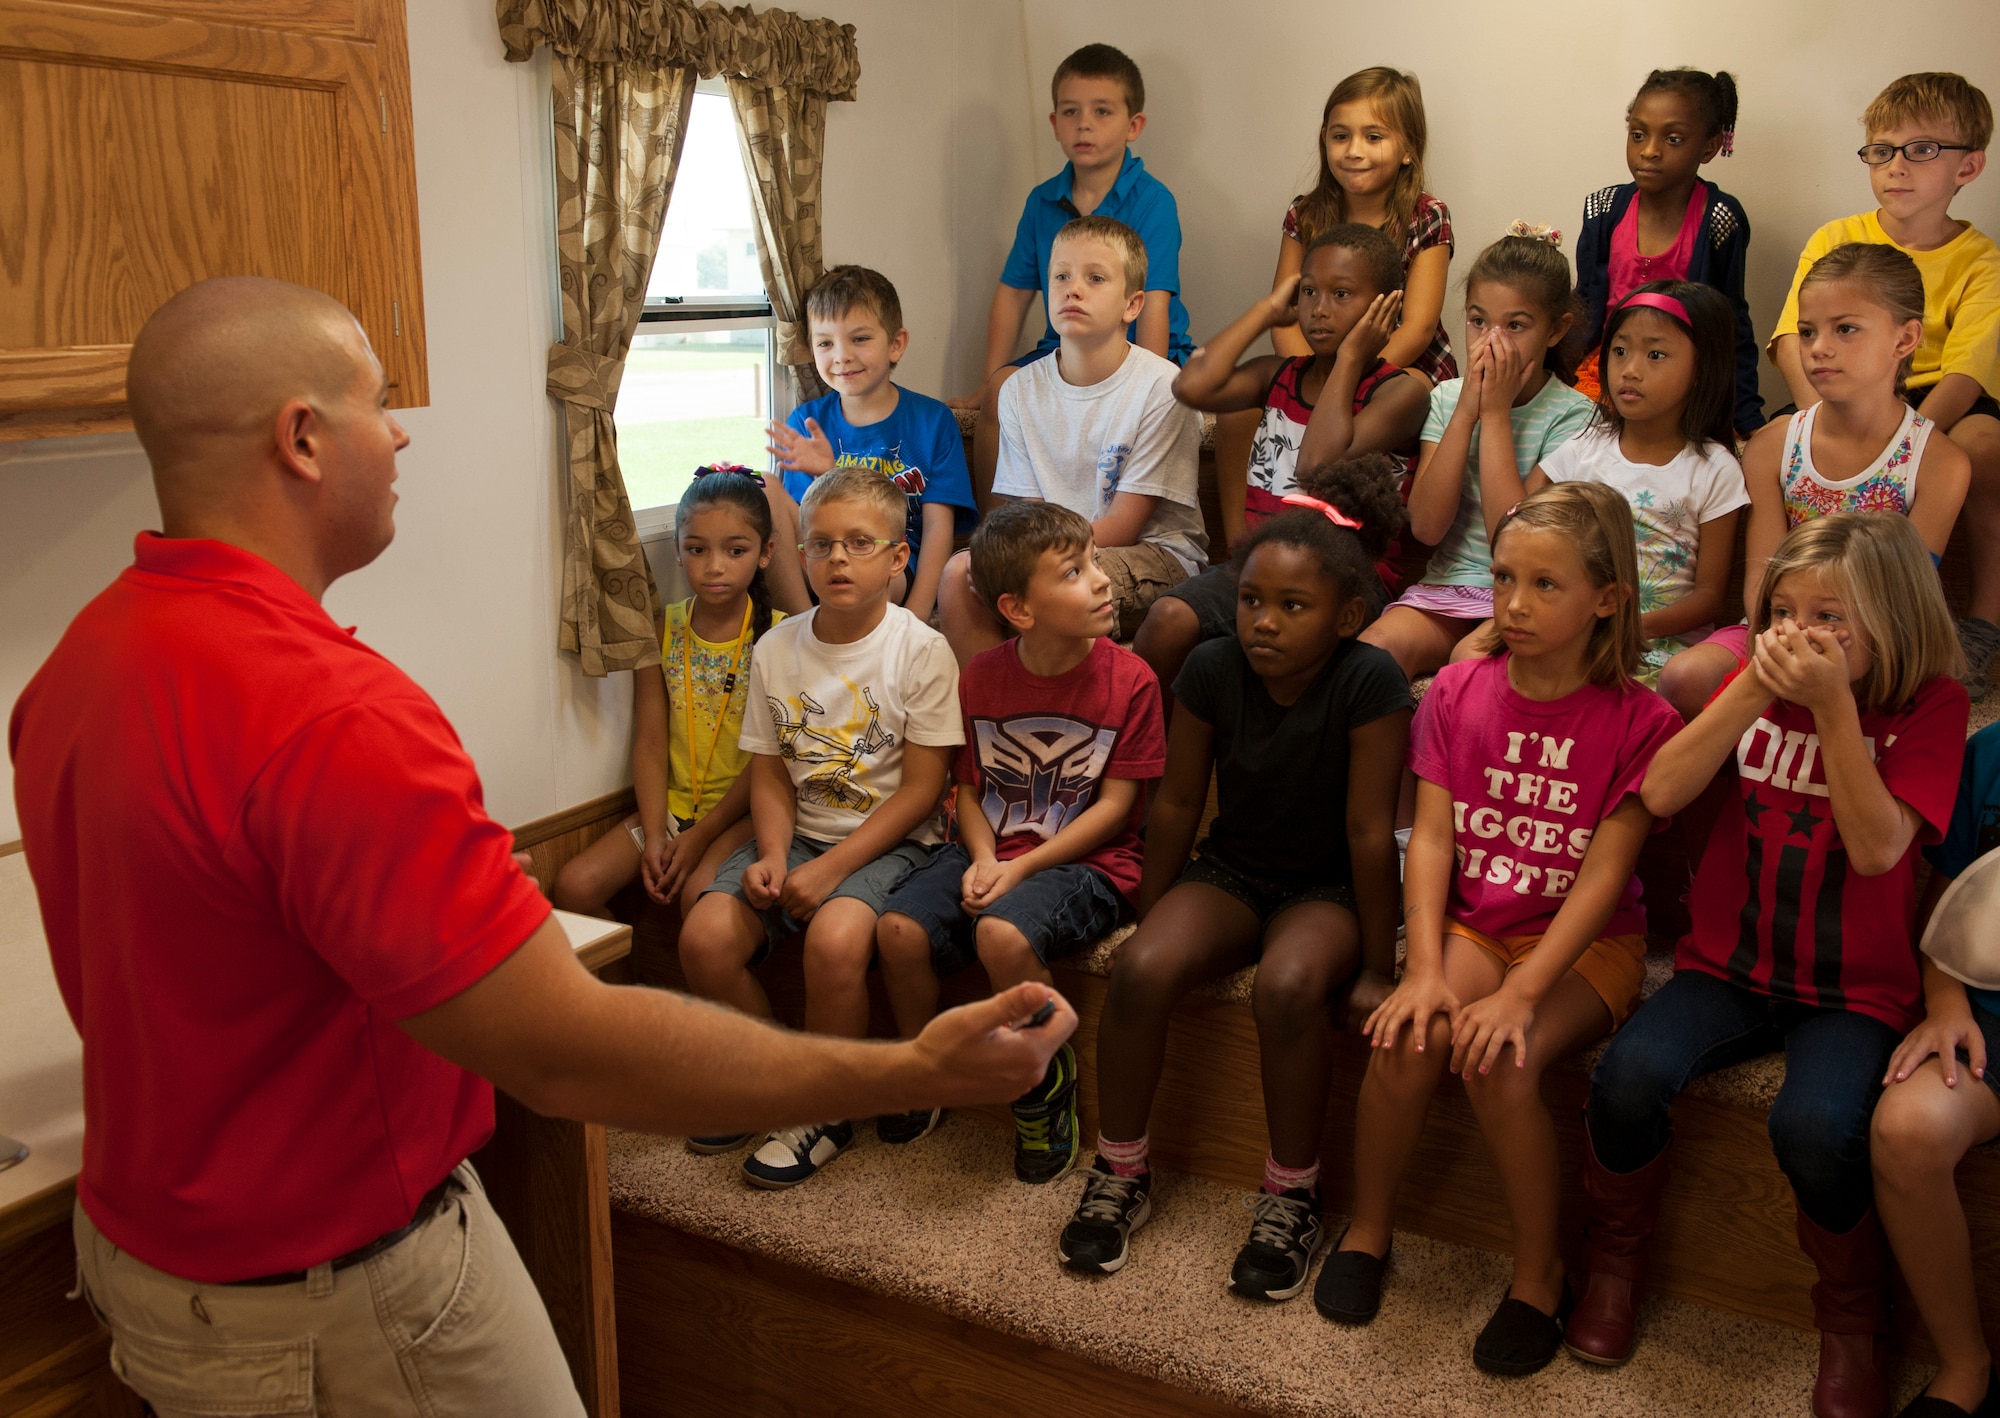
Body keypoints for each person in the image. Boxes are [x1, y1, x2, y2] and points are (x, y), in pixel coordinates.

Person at [7, 277, 1076, 1418]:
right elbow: (566, 1051)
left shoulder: (79, 661)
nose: (401, 431)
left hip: (149, 1255)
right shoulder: (330, 715)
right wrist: (912, 1067)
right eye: (378, 402)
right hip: (338, 1291)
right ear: (303, 439)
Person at [1583, 514, 1968, 1416]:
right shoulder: (1756, 685)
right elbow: (1663, 791)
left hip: (1857, 987)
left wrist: (1835, 709)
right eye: (1782, 613)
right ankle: (1612, 1265)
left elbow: (1879, 851)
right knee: (1629, 1075)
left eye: (1830, 617)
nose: (1800, 636)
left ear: (1894, 619)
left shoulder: (1932, 705)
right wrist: (1751, 692)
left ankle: (1851, 1323)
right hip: (1730, 963)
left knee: (1816, 1124)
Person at [1319, 484, 1682, 1376]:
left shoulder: (1645, 720)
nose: (1513, 605)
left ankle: (1539, 1273)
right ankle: (1368, 1230)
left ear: (1608, 597)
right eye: (1504, 579)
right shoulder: (1457, 688)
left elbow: (1605, 875)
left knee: (1499, 1059)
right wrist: (1425, 966)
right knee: (1409, 1039)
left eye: (1545, 586)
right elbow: (1433, 837)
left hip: (1585, 944)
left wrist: (1522, 994)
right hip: (1478, 922)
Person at [1057, 492, 1411, 1298]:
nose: (1264, 622)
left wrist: (1380, 966)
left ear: (1348, 615)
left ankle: (1293, 1191)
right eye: (1252, 600)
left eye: (1294, 606)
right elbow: (1178, 803)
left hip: (1328, 890)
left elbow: (1367, 833)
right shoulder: (1213, 668)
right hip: (1234, 872)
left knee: (1287, 988)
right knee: (1144, 968)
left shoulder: (1371, 680)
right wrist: (1151, 911)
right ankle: (1121, 1170)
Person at [677, 465, 967, 1187]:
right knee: (705, 938)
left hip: (892, 839)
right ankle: (778, 1078)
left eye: (860, 543)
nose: (838, 558)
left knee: (836, 942)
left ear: (899, 558)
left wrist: (832, 869)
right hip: (800, 829)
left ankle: (826, 1108)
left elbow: (926, 790)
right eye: (822, 544)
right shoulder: (777, 646)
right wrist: (775, 852)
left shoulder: (920, 650)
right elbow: (772, 769)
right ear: (797, 555)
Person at [876, 502, 1165, 1181]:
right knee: (895, 930)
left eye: (1095, 561)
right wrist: (981, 857)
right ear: (1019, 609)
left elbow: (1119, 808)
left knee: (1001, 936)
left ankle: (1043, 1083)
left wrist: (1021, 866)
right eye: (1074, 571)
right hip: (988, 847)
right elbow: (969, 791)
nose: (1100, 581)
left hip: (1091, 861)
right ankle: (928, 1069)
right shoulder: (979, 677)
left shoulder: (1133, 681)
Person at [1660, 244, 1971, 718]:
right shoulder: (1772, 445)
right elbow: (1762, 576)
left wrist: (1832, 654)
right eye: (1807, 332)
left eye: (1845, 329)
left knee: (1916, 703)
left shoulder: (1939, 463)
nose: (1819, 348)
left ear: (1905, 339)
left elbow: (1907, 595)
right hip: (1775, 627)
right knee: (1684, 677)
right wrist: (1782, 642)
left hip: (1880, 640)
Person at [1767, 73, 2000, 695]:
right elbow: (1794, 338)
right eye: (1882, 150)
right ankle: (1801, 598)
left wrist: (1900, 438)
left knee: (1983, 448)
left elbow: (1968, 374)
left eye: (1922, 150)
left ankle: (1981, 622)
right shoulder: (1835, 238)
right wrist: (1833, 415)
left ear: (1968, 166)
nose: (1897, 166)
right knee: (1776, 437)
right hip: (1838, 388)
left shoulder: (1982, 261)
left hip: (1933, 403)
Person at [1132, 224, 1429, 694]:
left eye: (1342, 293)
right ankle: (1147, 760)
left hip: (1348, 582)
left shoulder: (1401, 393)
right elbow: (1190, 387)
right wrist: (1267, 311)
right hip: (1260, 569)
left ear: (1385, 307)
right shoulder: (1279, 375)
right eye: (1309, 291)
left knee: (1246, 658)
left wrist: (1351, 357)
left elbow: (1316, 465)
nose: (1320, 308)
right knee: (1168, 618)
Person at [1210, 66, 1457, 555]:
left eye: (1373, 136)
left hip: (1400, 366)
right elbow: (1286, 309)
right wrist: (1306, 374)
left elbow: (1419, 325)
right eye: (1340, 136)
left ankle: (1365, 549)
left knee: (1390, 405)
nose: (1354, 150)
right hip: (1316, 364)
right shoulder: (1308, 213)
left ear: (1408, 148)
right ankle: (1241, 548)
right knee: (1238, 412)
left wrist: (1358, 373)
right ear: (1324, 140)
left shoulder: (1425, 216)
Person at [939, 216, 1205, 665]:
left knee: (1055, 590)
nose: (1072, 288)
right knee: (958, 572)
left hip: (1151, 555)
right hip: (1051, 552)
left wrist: (1038, 563)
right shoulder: (1019, 389)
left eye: (1095, 278)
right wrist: (1019, 559)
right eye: (1061, 276)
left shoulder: (1162, 388)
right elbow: (1026, 510)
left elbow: (1124, 524)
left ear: (1133, 304)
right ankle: (994, 716)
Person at [547, 469, 781, 973]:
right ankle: (628, 1019)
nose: (714, 566)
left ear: (765, 553)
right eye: (696, 549)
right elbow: (651, 742)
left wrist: (698, 837)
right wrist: (656, 835)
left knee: (696, 896)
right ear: (677, 550)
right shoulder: (664, 631)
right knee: (573, 885)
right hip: (672, 811)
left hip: (741, 817)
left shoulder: (779, 639)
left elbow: (767, 763)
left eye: (735, 551)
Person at [958, 43, 1190, 509]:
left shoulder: (1153, 201)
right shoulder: (1042, 201)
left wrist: (1136, 384)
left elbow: (1154, 305)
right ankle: (994, 532)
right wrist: (989, 381)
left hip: (1141, 349)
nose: (1084, 123)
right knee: (1001, 392)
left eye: (1102, 111)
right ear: (1055, 124)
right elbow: (1012, 294)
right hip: (1064, 348)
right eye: (1071, 111)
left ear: (1133, 126)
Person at [1363, 225, 1596, 680]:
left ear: (1556, 329)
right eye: (1478, 321)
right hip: (1445, 590)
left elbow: (1514, 539)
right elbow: (1427, 528)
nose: (1491, 341)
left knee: (1466, 664)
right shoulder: (1448, 398)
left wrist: (1495, 415)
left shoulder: (1576, 417)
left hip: (1526, 597)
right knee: (1373, 653)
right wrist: (1467, 409)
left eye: (1515, 325)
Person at [1526, 282, 1749, 710]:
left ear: (1701, 368)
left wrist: (1628, 628)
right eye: (1620, 351)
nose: (1629, 369)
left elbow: (1708, 597)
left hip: (1658, 646)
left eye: (1656, 355)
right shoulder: (1585, 446)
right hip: (1578, 631)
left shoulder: (1714, 467)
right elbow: (1521, 517)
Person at [1871, 722, 2000, 1418]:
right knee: (1907, 1128)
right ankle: (1964, 1365)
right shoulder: (1989, 752)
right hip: (1986, 1020)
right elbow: (1948, 902)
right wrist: (1945, 1000)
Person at [762, 266, 977, 623]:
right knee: (766, 487)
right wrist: (823, 477)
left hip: (890, 569)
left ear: (896, 344)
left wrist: (917, 616)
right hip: (820, 563)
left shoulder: (933, 421)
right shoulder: (807, 423)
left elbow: (939, 529)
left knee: (873, 554)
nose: (841, 355)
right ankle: (803, 629)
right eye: (825, 343)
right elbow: (802, 530)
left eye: (859, 339)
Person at [1573, 68, 1763, 438]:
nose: (1650, 151)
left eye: (1673, 139)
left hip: (1684, 374)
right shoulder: (1603, 209)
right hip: (1608, 368)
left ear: (1708, 147)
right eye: (1638, 135)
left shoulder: (1720, 219)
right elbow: (1584, 308)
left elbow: (1731, 321)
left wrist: (1747, 417)